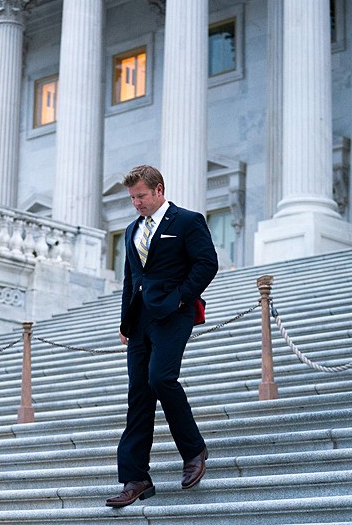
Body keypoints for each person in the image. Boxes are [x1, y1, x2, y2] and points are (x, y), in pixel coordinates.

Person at [106, 164, 219, 508]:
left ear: (159, 190)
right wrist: (125, 322)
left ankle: (194, 450)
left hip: (173, 313)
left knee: (161, 378)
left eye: (141, 196)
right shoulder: (132, 230)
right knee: (138, 394)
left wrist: (182, 298)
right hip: (140, 320)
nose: (136, 203)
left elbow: (207, 263)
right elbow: (130, 279)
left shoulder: (187, 221)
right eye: (132, 198)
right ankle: (136, 478)